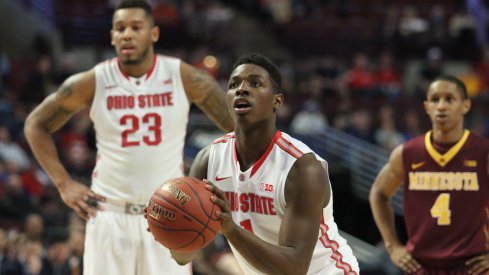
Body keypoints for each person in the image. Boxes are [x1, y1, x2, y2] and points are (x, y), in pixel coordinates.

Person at [23, 1, 233, 274]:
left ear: (154, 34)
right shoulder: (95, 80)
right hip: (109, 214)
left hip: (170, 217)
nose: (127, 34)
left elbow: (237, 128)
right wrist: (63, 184)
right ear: (112, 37)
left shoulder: (183, 77)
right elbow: (35, 124)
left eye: (136, 27)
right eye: (120, 28)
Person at [164, 53, 359, 274]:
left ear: (277, 101)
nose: (242, 89)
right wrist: (169, 228)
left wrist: (230, 229)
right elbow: (184, 256)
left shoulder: (302, 168)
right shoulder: (209, 160)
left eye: (255, 83)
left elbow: (294, 269)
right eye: (234, 85)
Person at [369, 75, 489, 274]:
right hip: (421, 266)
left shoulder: (483, 152)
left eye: (450, 99)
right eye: (435, 99)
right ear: (426, 107)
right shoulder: (407, 153)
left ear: (465, 106)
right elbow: (378, 193)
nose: (441, 106)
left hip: (472, 266)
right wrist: (393, 246)